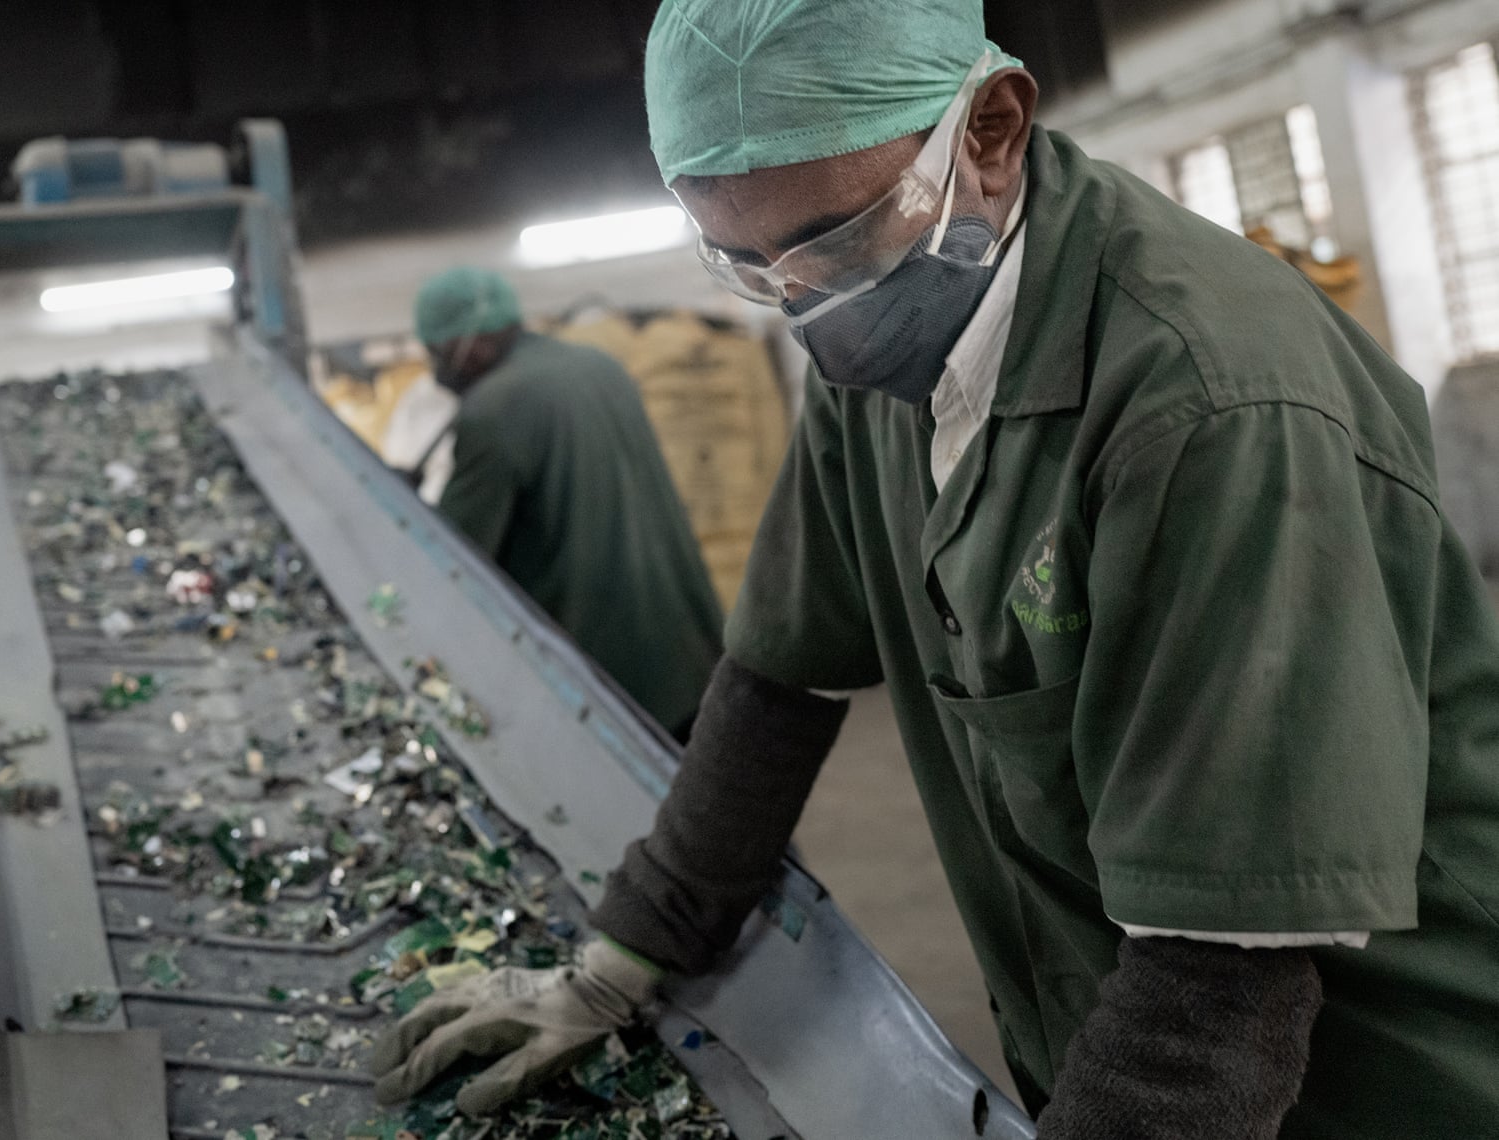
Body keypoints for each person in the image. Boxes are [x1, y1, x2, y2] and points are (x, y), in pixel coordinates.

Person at [374, 2, 1499, 1136]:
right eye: (750, 268)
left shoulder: (1210, 409)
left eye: (833, 242)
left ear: (992, 128)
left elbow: (1222, 974)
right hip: (1109, 1032)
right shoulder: (876, 350)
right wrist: (617, 963)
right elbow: (777, 685)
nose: (810, 311)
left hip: (1373, 1074)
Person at [412, 267, 723, 741]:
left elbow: (455, 556)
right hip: (686, 647)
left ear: (470, 342)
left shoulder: (494, 408)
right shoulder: (597, 365)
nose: (439, 371)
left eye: (437, 352)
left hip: (609, 673)